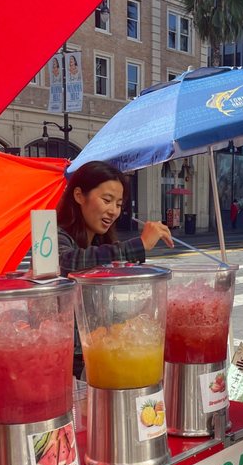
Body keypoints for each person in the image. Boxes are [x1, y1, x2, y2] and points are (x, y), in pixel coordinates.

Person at [57, 161, 174, 375]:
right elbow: (67, 262)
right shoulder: (57, 237)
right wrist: (139, 245)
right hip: (67, 360)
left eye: (119, 204)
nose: (113, 211)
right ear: (79, 196)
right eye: (107, 200)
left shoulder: (100, 243)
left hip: (98, 350)